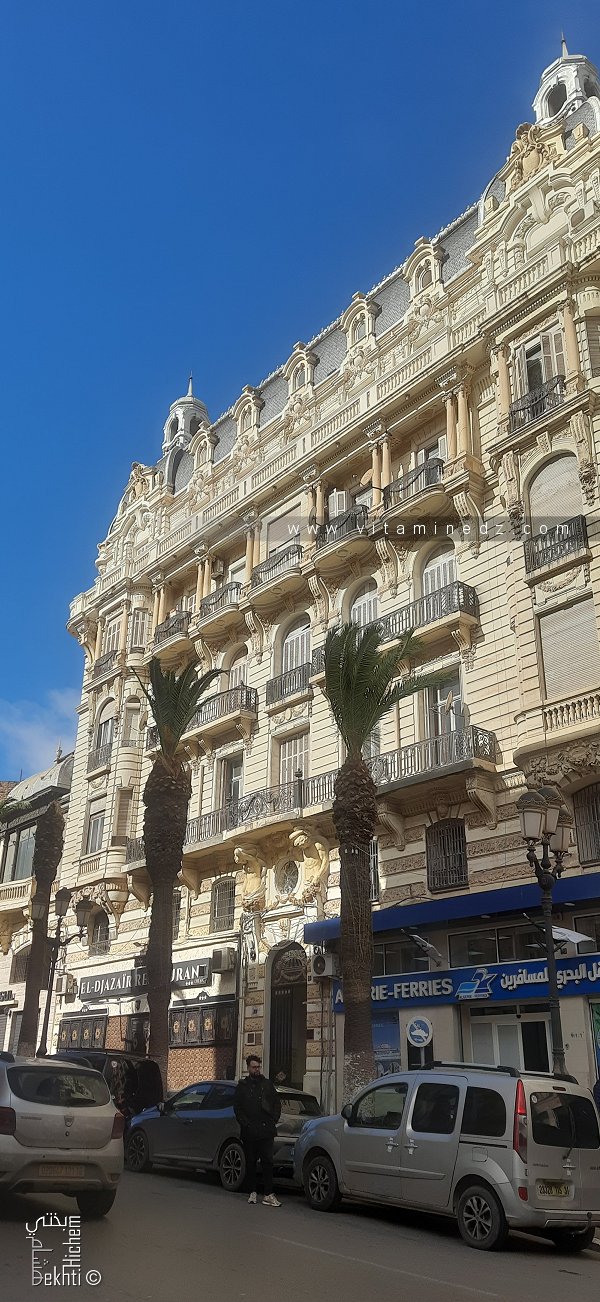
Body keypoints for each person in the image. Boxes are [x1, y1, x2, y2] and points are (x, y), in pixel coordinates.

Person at [233, 1054, 282, 1207]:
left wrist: (273, 1119)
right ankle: (252, 1192)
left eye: (258, 1067)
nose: (256, 1070)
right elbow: (238, 1108)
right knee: (251, 1163)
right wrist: (245, 1124)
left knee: (268, 1162)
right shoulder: (242, 1086)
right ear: (248, 1068)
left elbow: (276, 1103)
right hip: (250, 1132)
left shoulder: (267, 1084)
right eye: (254, 1067)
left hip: (266, 1130)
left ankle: (268, 1194)